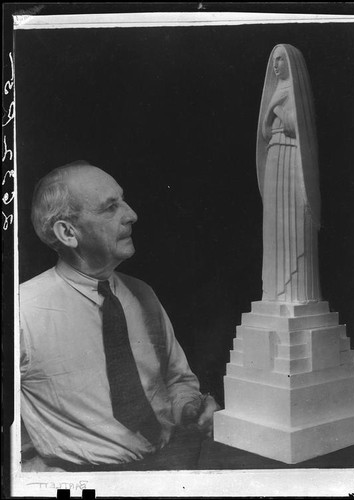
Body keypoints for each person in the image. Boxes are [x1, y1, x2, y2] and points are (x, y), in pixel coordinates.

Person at [20, 161, 219, 472]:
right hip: (86, 480)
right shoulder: (23, 312)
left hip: (173, 463)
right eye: (110, 207)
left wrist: (191, 409)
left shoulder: (142, 294)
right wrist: (25, 474)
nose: (131, 214)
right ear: (68, 232)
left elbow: (177, 381)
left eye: (122, 200)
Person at [256, 44, 322, 303]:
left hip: (291, 155)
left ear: (290, 63)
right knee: (273, 222)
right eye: (273, 60)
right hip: (275, 155)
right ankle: (274, 291)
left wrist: (277, 111)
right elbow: (264, 133)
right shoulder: (277, 90)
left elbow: (297, 128)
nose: (275, 65)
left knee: (294, 220)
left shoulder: (295, 91)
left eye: (280, 60)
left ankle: (294, 291)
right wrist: (273, 114)